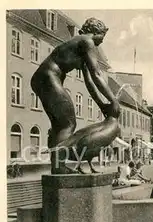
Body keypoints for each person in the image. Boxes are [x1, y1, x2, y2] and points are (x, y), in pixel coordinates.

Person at [31, 17, 117, 174]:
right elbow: (97, 74)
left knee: (59, 125)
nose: (102, 42)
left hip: (42, 78)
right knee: (68, 124)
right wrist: (113, 100)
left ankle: (57, 166)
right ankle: (59, 166)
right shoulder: (87, 41)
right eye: (102, 36)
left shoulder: (80, 43)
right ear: (95, 32)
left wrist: (102, 104)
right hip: (49, 77)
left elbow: (89, 82)